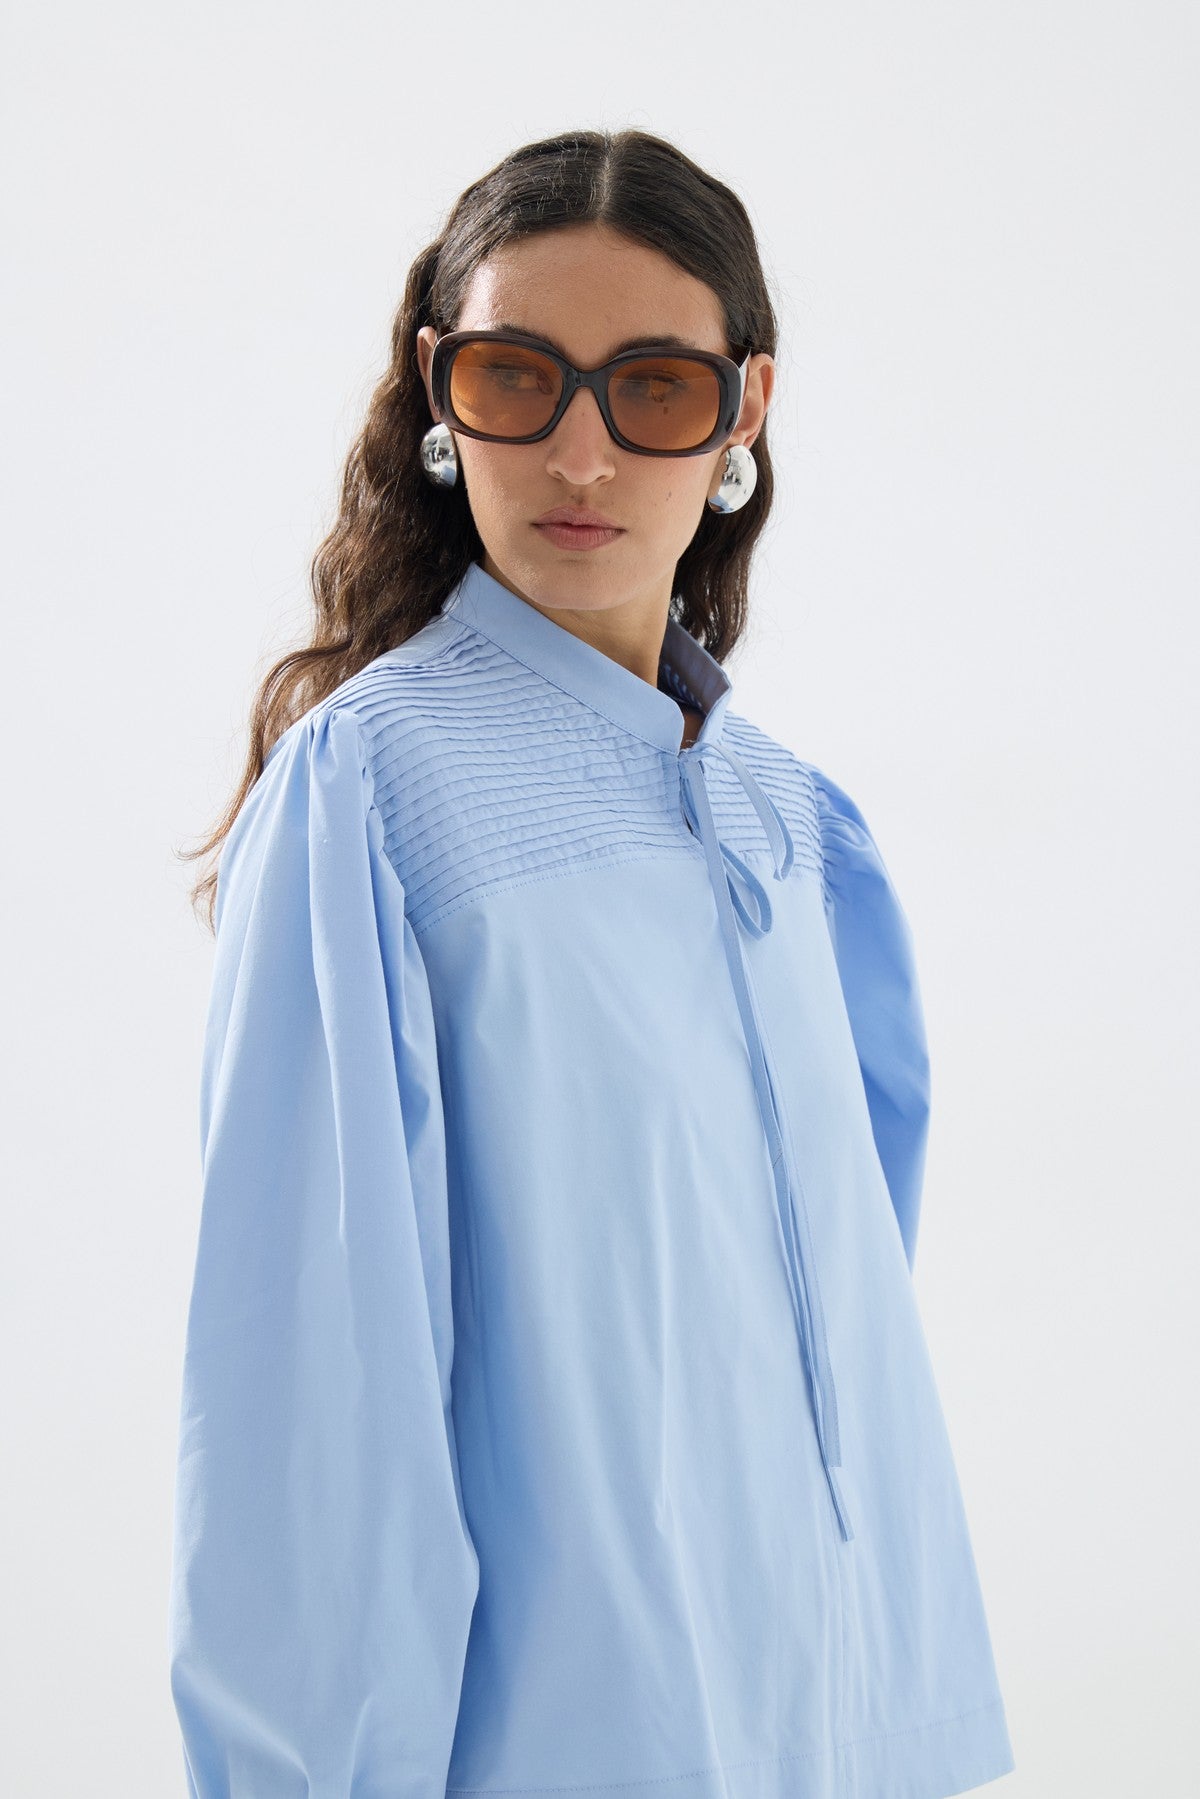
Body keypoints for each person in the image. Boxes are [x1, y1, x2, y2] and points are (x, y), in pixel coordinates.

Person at [168, 128, 1016, 1799]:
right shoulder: (373, 795)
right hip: (556, 1739)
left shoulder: (795, 820)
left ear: (743, 410)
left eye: (652, 388)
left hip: (834, 1724)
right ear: (442, 388)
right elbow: (311, 1402)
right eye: (517, 375)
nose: (579, 451)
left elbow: (850, 1318)